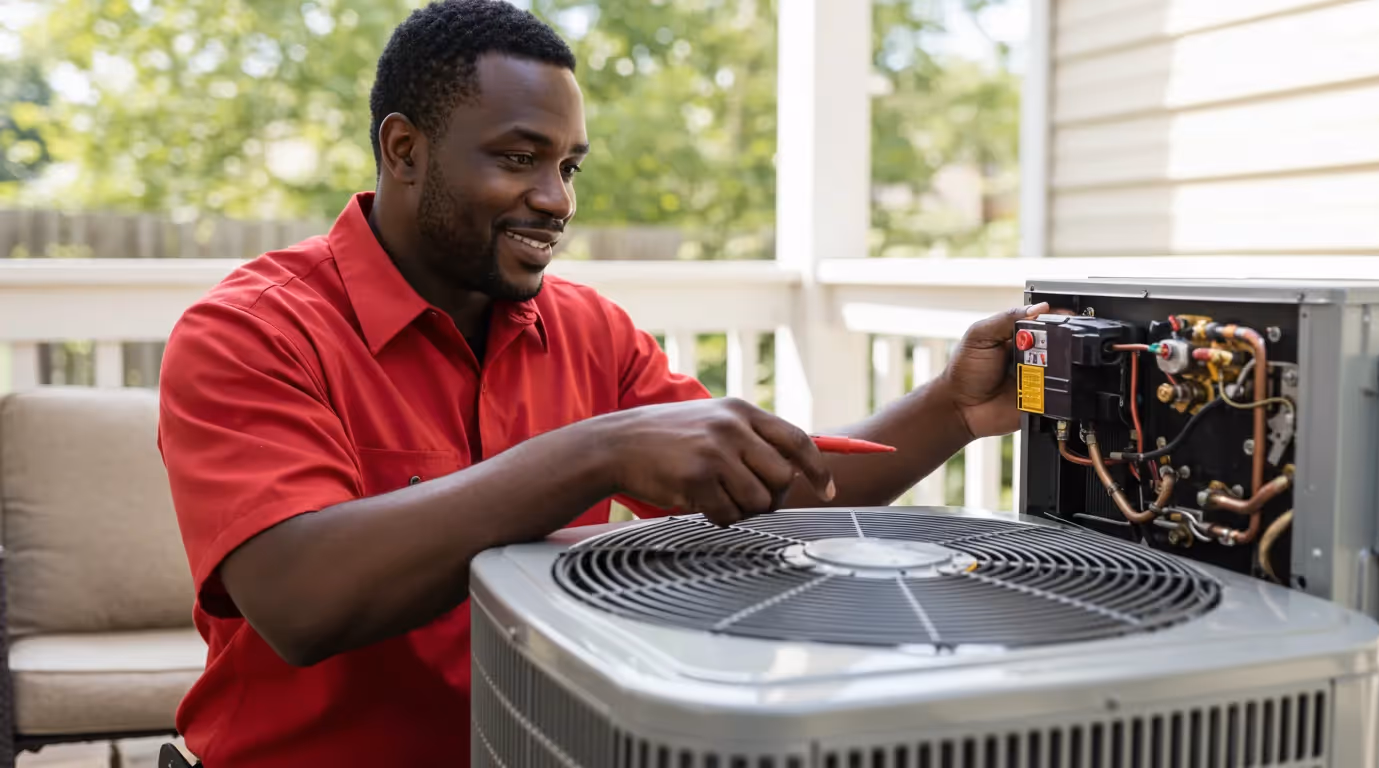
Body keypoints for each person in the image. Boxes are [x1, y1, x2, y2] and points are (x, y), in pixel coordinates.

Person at [155, 1, 1048, 765]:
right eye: (519, 158)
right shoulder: (249, 330)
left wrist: (950, 410)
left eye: (569, 166)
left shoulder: (590, 330)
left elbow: (778, 483)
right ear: (403, 150)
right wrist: (600, 450)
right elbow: (301, 601)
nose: (558, 199)